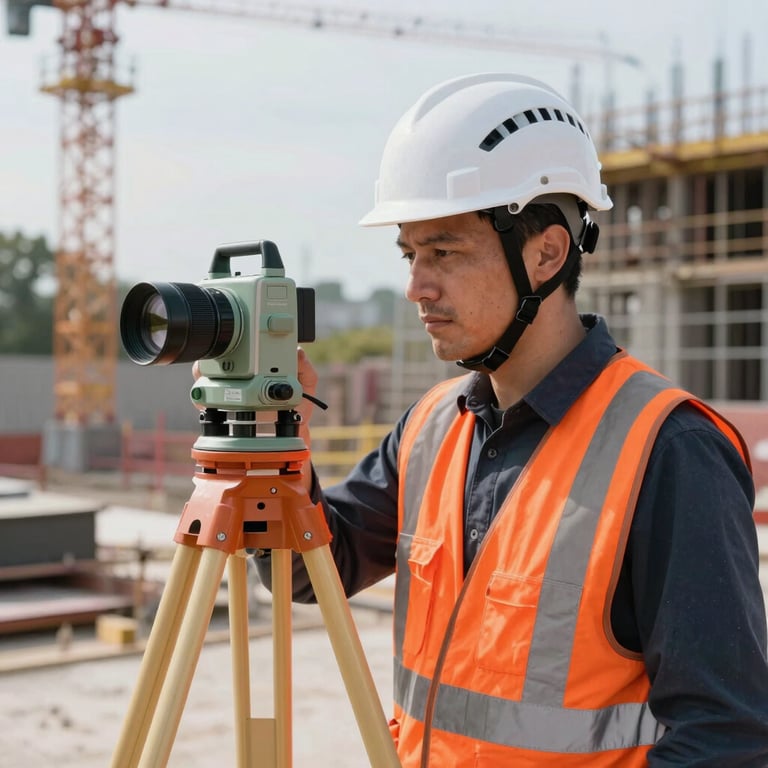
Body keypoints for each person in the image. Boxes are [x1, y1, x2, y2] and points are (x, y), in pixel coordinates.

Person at [257, 73, 768, 766]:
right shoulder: (433, 427)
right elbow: (309, 570)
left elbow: (727, 740)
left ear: (547, 253)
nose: (416, 286)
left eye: (444, 252)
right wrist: (269, 444)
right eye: (410, 254)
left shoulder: (670, 450)